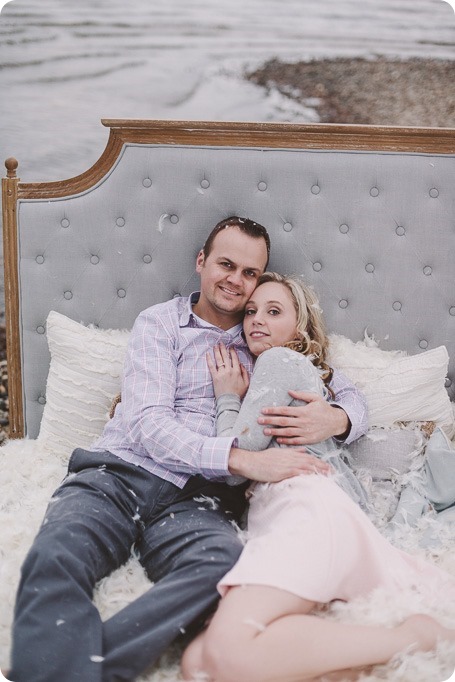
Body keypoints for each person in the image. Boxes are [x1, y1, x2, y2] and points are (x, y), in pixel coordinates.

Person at [9, 217, 367, 682]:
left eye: (250, 272)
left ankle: (82, 670)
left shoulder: (261, 334)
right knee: (57, 555)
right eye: (226, 264)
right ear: (201, 262)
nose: (237, 281)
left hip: (200, 498)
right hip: (118, 475)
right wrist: (241, 459)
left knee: (219, 566)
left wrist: (338, 417)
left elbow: (338, 383)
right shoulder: (160, 324)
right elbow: (147, 423)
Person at [181, 272, 455, 682]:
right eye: (252, 311)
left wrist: (226, 398)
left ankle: (413, 637)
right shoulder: (283, 373)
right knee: (197, 664)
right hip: (301, 511)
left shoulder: (279, 362)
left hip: (305, 504)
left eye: (274, 312)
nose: (256, 319)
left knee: (223, 654)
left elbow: (235, 466)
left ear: (300, 326)